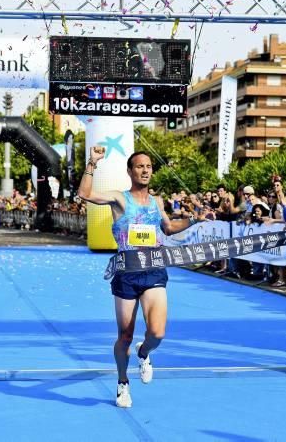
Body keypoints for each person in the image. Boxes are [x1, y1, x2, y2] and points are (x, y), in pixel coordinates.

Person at [78, 147, 201, 408]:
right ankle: (123, 383)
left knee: (157, 333)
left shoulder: (157, 202)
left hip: (154, 269)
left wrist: (193, 219)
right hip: (127, 273)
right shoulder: (120, 199)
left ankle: (144, 353)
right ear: (130, 171)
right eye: (139, 166)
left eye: (148, 166)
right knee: (125, 336)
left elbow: (167, 228)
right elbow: (84, 194)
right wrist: (92, 163)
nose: (145, 170)